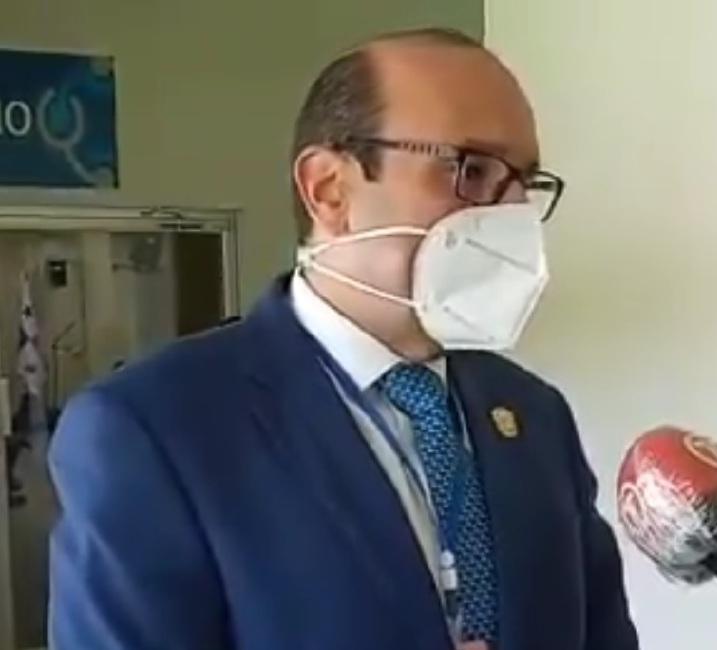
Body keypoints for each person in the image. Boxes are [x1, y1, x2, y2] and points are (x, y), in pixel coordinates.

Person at [46, 27, 642, 650]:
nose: (510, 211)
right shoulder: (153, 431)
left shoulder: (533, 416)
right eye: (473, 169)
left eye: (525, 183)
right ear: (329, 189)